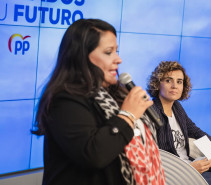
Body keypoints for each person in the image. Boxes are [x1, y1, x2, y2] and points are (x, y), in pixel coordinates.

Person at [32, 19, 165, 185]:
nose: (118, 59)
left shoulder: (115, 93)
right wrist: (128, 115)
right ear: (81, 56)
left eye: (117, 51)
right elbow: (94, 155)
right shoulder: (64, 100)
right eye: (109, 52)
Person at [147, 61, 211, 185]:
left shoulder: (177, 108)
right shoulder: (150, 112)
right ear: (157, 84)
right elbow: (156, 157)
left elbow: (195, 131)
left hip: (190, 163)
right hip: (174, 173)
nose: (175, 86)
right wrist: (189, 169)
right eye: (168, 80)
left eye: (179, 81)